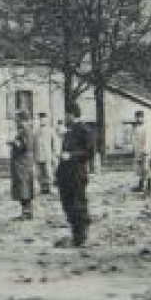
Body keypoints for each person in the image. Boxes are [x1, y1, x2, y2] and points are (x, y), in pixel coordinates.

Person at [54, 104, 96, 247]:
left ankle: (81, 236)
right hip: (66, 174)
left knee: (78, 204)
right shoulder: (69, 132)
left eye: (66, 115)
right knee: (68, 205)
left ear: (72, 114)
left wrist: (71, 155)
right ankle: (75, 235)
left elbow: (89, 152)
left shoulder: (84, 130)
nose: (65, 118)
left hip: (77, 173)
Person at [9, 111, 37, 219]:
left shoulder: (24, 130)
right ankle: (27, 211)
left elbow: (24, 146)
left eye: (16, 119)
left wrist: (13, 142)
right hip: (25, 161)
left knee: (23, 186)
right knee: (25, 185)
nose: (15, 121)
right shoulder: (27, 129)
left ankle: (26, 212)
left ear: (21, 119)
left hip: (22, 162)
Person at [130, 110, 151, 194]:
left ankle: (149, 186)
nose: (138, 119)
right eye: (137, 117)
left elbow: (148, 139)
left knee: (147, 168)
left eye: (140, 117)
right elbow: (134, 139)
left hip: (145, 151)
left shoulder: (146, 127)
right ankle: (141, 185)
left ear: (143, 118)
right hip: (138, 151)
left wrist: (146, 150)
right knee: (139, 169)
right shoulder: (135, 128)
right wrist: (134, 149)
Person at [32, 113, 56, 195]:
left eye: (44, 119)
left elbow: (54, 142)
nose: (42, 120)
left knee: (48, 171)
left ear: (46, 119)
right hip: (38, 154)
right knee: (39, 172)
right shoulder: (35, 131)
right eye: (40, 119)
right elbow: (33, 143)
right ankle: (42, 187)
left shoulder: (50, 130)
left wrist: (54, 153)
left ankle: (49, 187)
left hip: (47, 154)